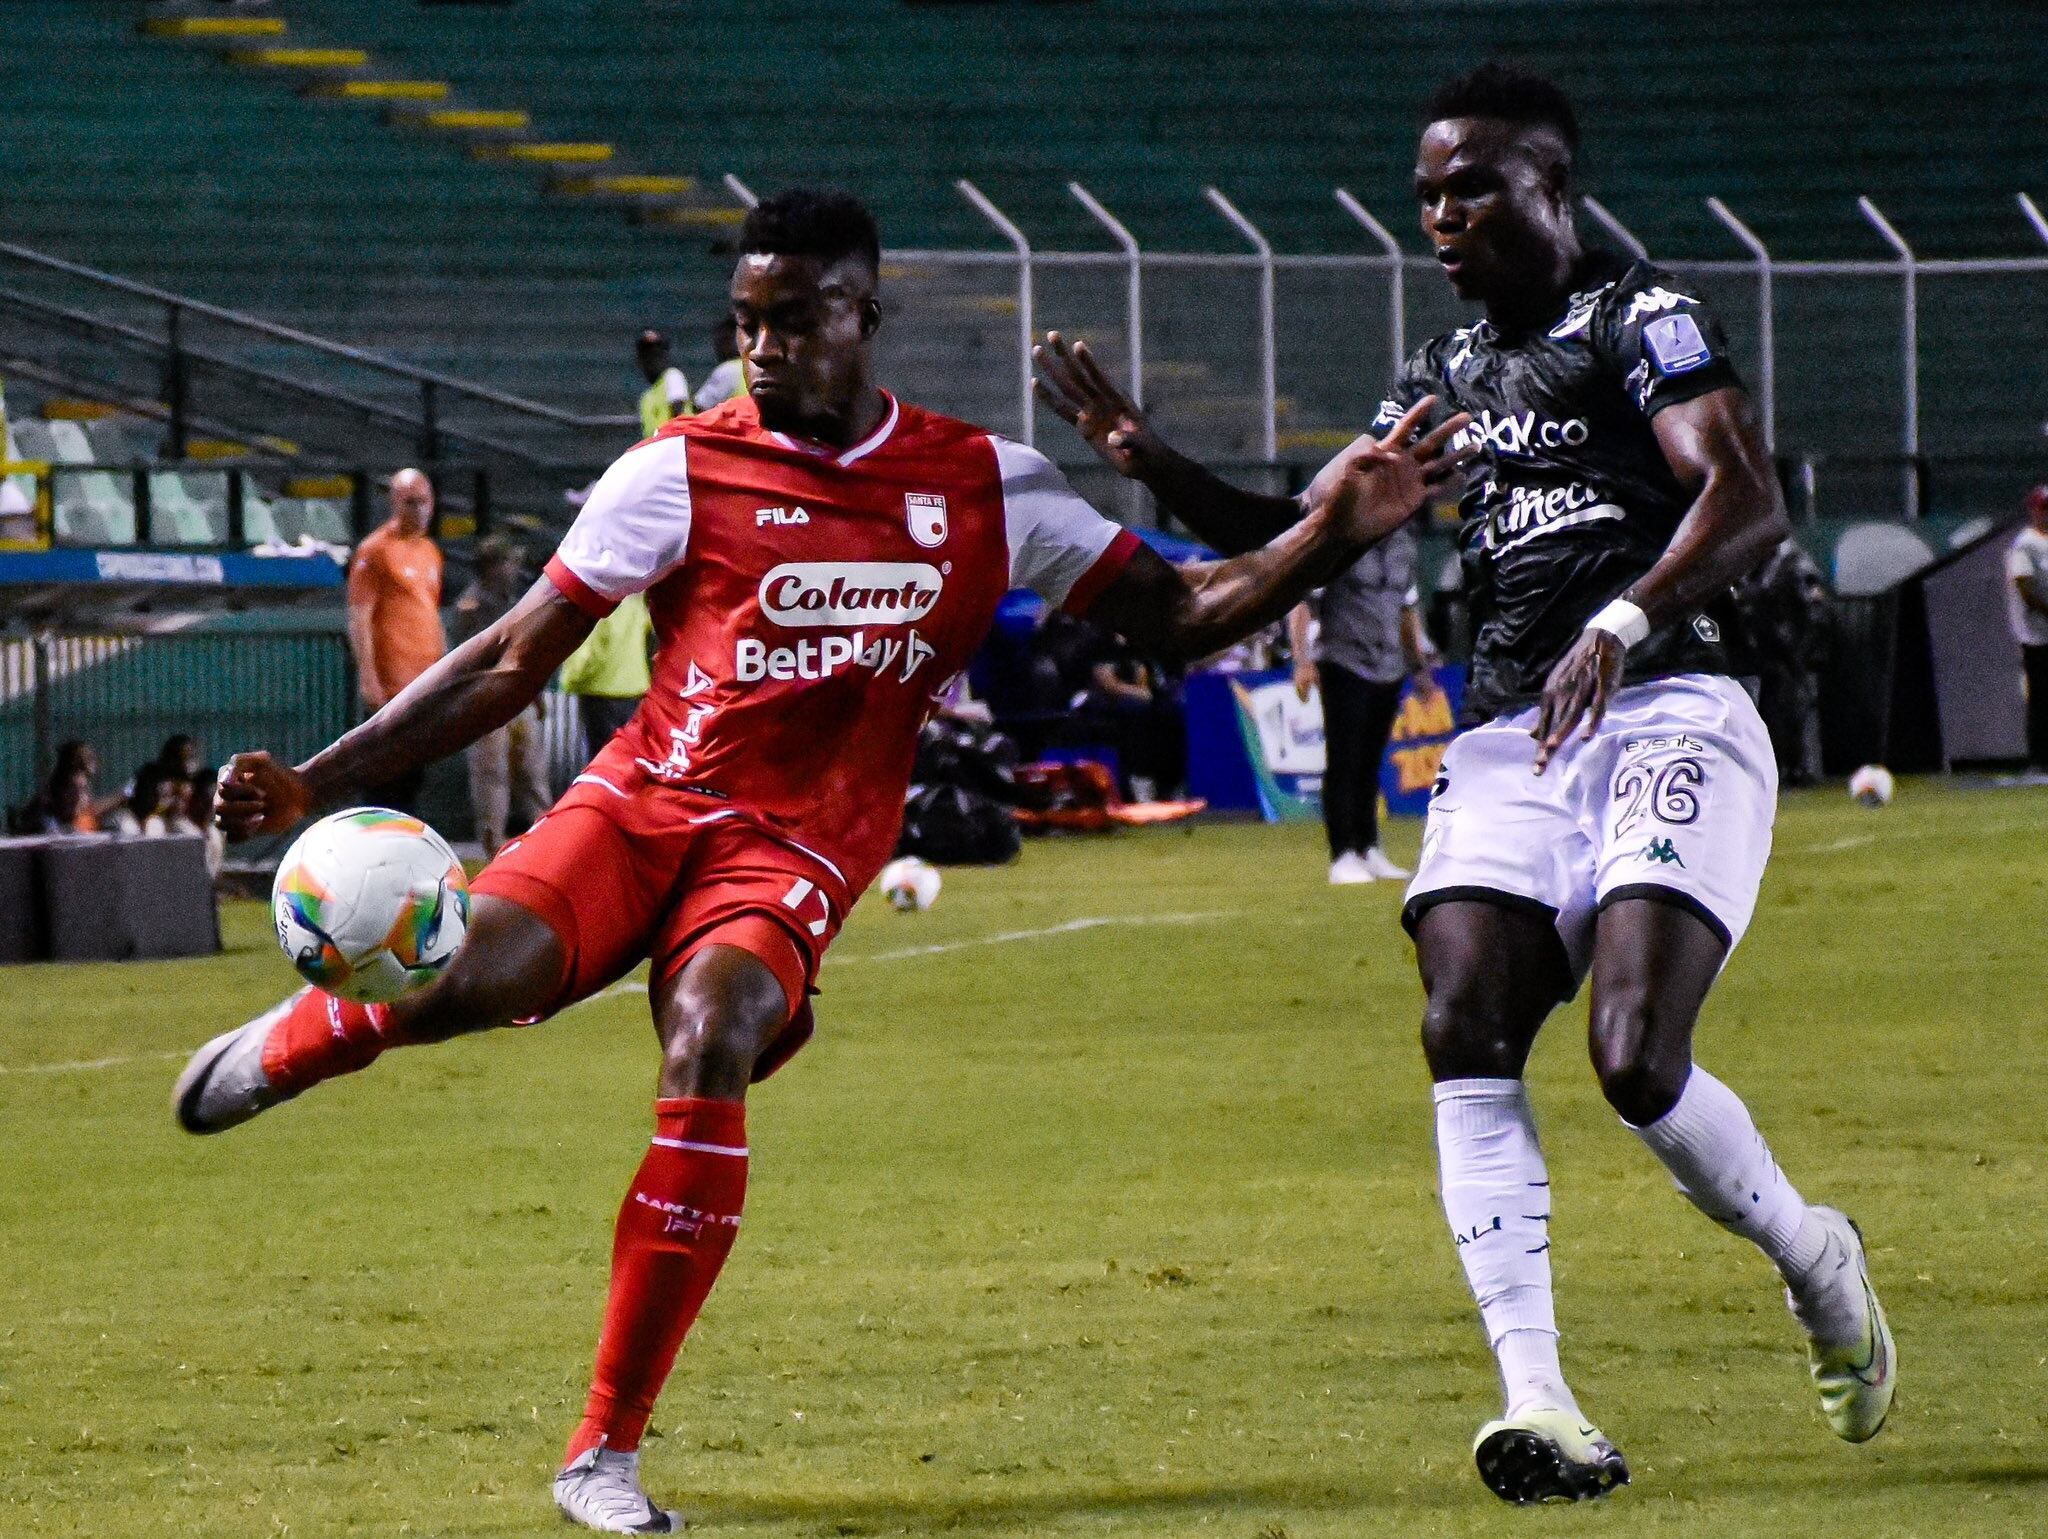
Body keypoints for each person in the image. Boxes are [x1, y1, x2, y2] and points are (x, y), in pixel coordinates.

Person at [170, 187, 1471, 1535]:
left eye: (793, 319)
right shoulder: (674, 469)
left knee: (711, 1024)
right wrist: (320, 778)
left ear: (865, 315)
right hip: (642, 804)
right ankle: (326, 1023)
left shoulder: (986, 484)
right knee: (463, 981)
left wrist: (1332, 530)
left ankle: (600, 1451)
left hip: (793, 847)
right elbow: (511, 656)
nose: (764, 347)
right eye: (746, 322)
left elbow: (1186, 613)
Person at [1032, 64, 1894, 1506]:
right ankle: (1540, 1400)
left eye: (1472, 185)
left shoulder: (1642, 318)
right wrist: (1145, 457)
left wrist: (1620, 622)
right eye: (1427, 191)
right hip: (1510, 738)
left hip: (1670, 700)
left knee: (1633, 1055)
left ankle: (1816, 1255)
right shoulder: (1439, 377)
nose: (1441, 214)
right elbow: (1313, 527)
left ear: (1555, 189)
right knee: (1462, 1019)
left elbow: (1741, 493)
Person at [1286, 519, 1443, 883]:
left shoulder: (1404, 543)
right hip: (1344, 659)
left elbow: (1407, 610)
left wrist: (1418, 668)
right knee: (1344, 759)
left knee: (1371, 762)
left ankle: (1368, 846)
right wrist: (1303, 661)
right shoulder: (1341, 540)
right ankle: (1342, 853)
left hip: (1389, 664)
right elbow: (1304, 604)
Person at [346, 469, 445, 812]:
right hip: (392, 681)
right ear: (395, 503)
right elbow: (360, 617)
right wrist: (368, 676)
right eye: (410, 503)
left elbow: (429, 611)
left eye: (424, 502)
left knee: (414, 774)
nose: (418, 511)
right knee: (383, 771)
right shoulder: (375, 550)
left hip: (424, 679)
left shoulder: (430, 551)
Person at [453, 535, 551, 856]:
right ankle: (494, 850)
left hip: (518, 697)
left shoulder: (512, 598)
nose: (514, 568)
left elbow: (527, 649)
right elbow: (472, 659)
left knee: (533, 775)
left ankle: (545, 844)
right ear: (492, 567)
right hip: (488, 702)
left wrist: (534, 693)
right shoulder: (472, 605)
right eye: (507, 562)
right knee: (492, 778)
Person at [557, 591, 654, 766]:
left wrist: (571, 679)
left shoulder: (600, 604)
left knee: (603, 758)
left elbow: (590, 650)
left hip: (601, 689)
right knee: (629, 755)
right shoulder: (636, 600)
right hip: (634, 688)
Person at [2005, 484, 2048, 769]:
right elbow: (2025, 587)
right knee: (2042, 697)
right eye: (2043, 509)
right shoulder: (2025, 544)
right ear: (2034, 510)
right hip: (2037, 634)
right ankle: (2041, 759)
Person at [635, 329, 693, 439]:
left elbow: (678, 416)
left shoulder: (673, 376)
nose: (652, 359)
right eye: (647, 354)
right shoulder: (646, 398)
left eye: (657, 353)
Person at [693, 312, 747, 413]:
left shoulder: (728, 370)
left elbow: (700, 409)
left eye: (723, 340)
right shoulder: (758, 368)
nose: (717, 347)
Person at [107, 762, 173, 837]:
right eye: (164, 796)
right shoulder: (125, 821)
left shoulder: (160, 820)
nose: (169, 802)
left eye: (170, 796)